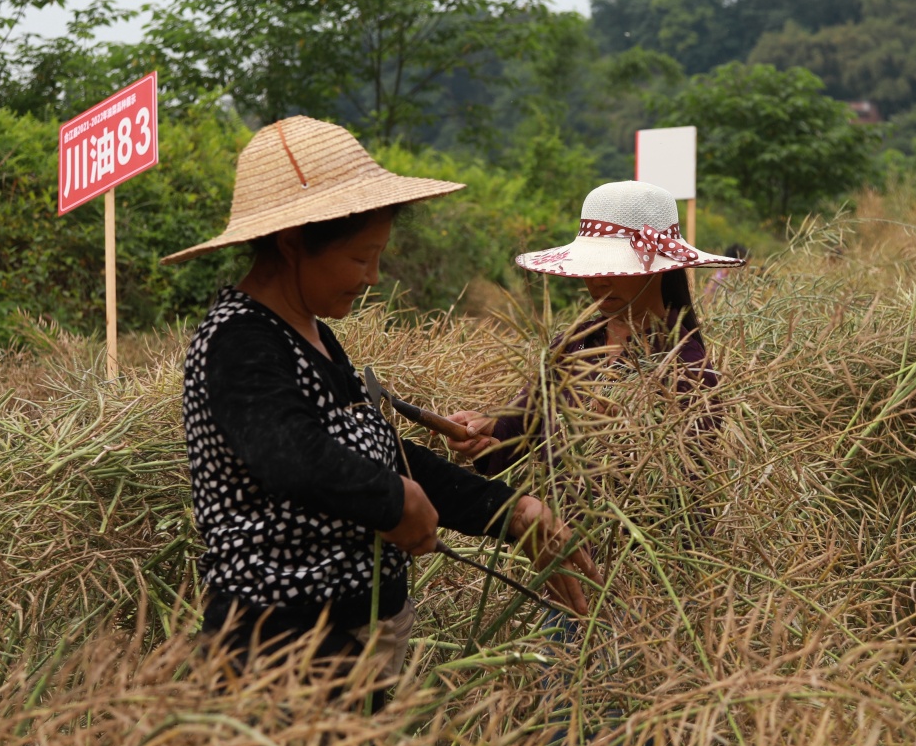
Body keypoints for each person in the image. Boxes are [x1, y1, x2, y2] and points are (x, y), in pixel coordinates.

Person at [160, 116, 600, 700]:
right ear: (292, 243)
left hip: (350, 635)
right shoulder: (240, 340)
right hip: (283, 645)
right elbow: (286, 452)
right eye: (358, 258)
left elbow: (377, 450)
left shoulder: (309, 331)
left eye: (378, 257)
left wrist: (511, 512)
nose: (372, 277)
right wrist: (392, 499)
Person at [440, 180, 744, 477]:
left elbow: (681, 484)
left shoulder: (685, 366)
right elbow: (524, 422)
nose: (598, 280)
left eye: (614, 267)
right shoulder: (574, 344)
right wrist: (486, 430)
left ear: (660, 269)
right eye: (591, 267)